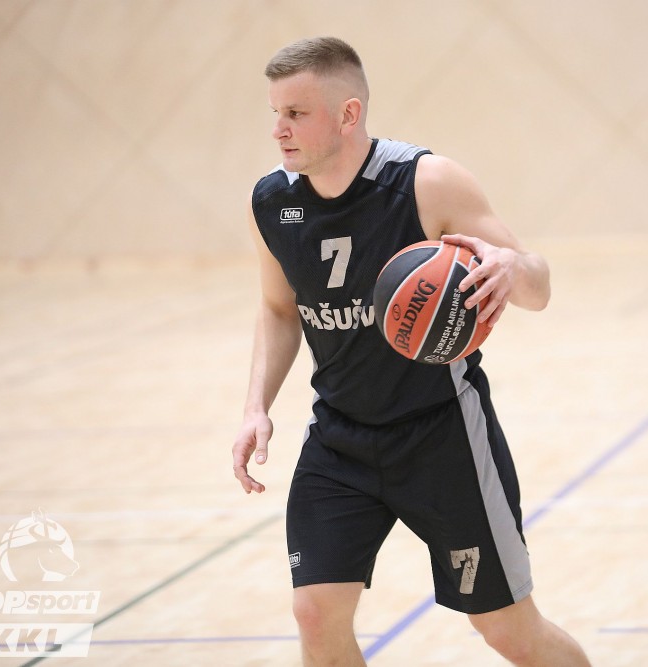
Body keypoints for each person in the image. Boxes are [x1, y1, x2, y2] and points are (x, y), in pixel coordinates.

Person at [230, 36, 591, 667]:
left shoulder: (425, 182)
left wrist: (513, 268)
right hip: (339, 438)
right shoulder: (272, 200)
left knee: (508, 631)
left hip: (441, 437)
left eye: (296, 113)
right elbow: (280, 309)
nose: (278, 130)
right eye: (275, 113)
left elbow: (538, 286)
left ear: (349, 114)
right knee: (315, 613)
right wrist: (255, 406)